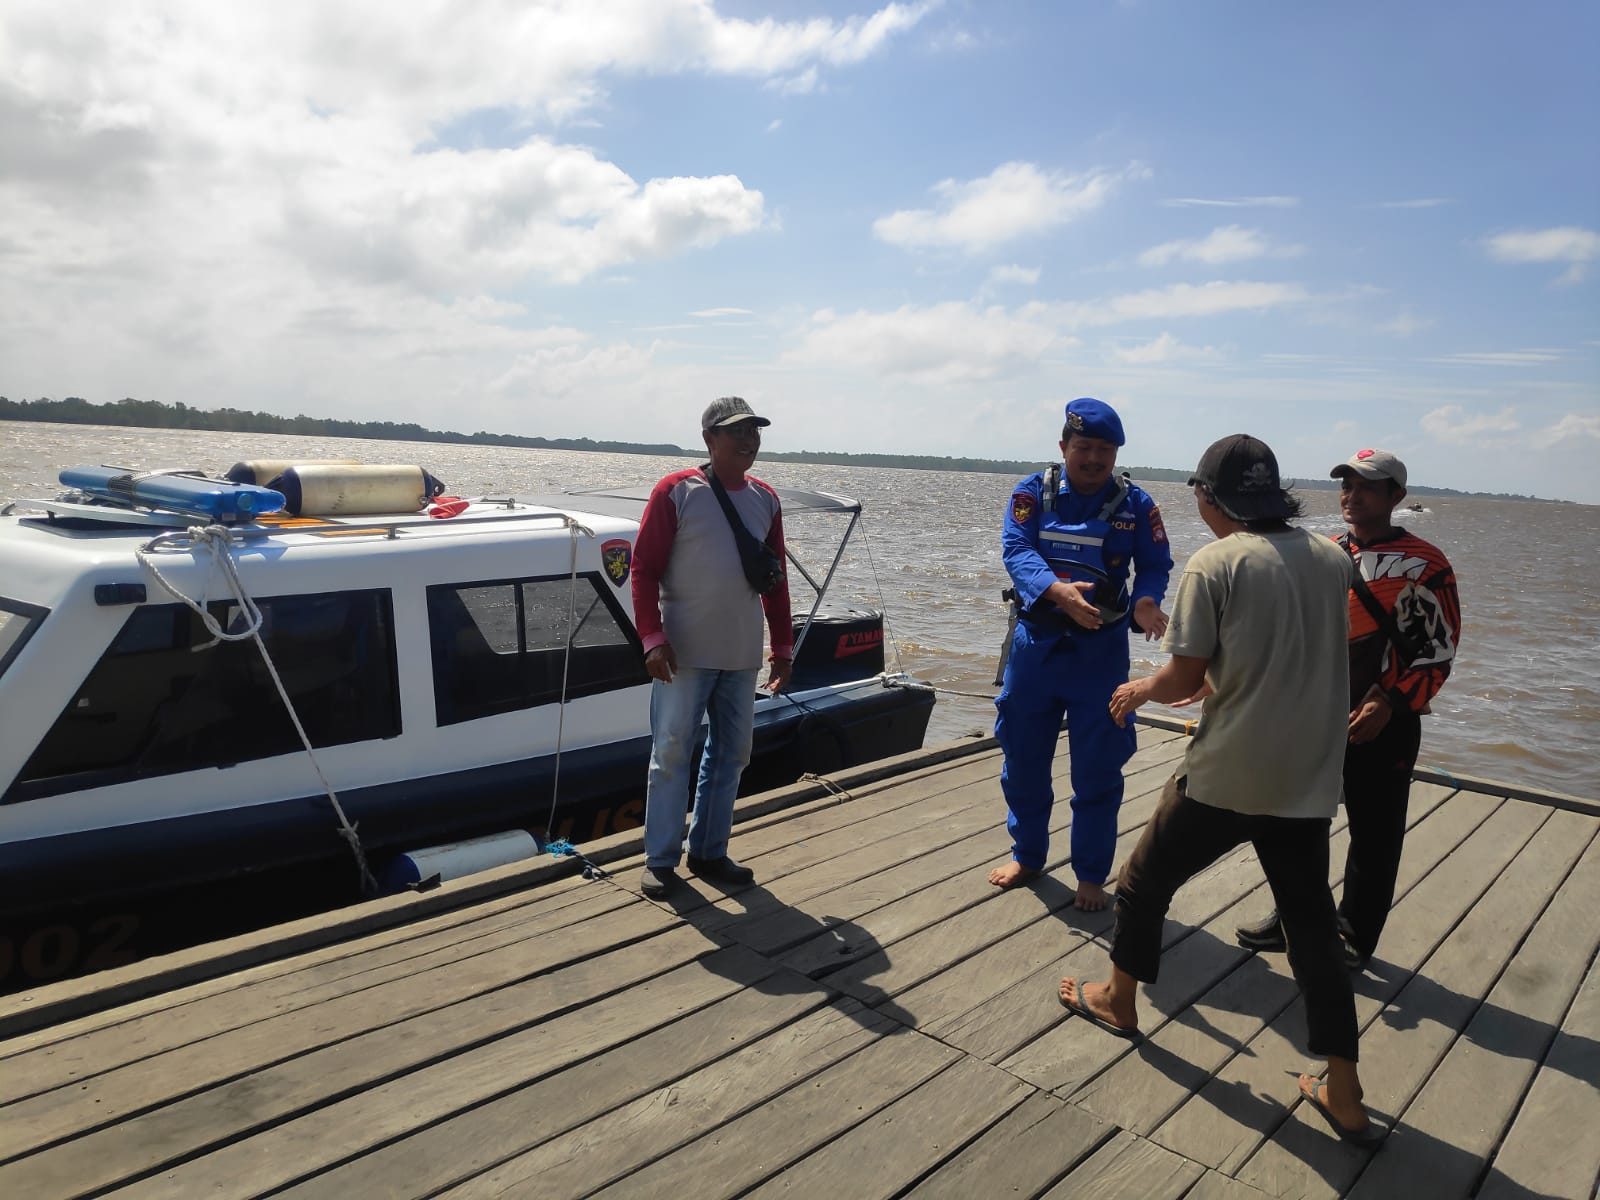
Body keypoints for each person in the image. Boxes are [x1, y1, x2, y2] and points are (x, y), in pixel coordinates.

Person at [1059, 433, 1380, 1146]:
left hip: (1229, 771)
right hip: (1307, 776)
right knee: (1313, 933)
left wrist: (1143, 687)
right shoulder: (1332, 556)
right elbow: (1283, 647)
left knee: (1142, 884)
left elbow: (1181, 677)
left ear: (1209, 497)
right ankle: (1347, 1090)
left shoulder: (1214, 562)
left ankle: (1118, 998)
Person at [1235, 448, 1460, 968]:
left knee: (1375, 836)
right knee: (1296, 822)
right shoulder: (1326, 551)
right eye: (1346, 486)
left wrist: (1391, 698)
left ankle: (1355, 937)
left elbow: (1438, 649)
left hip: (1385, 722)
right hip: (1317, 715)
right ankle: (1296, 918)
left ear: (1395, 497)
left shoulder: (1425, 564)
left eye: (1367, 487)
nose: (1352, 496)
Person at [989, 397, 1173, 910]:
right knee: (1023, 760)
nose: (1093, 459)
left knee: (1099, 767)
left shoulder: (1137, 505)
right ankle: (1027, 855)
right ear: (1064, 446)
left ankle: (1091, 873)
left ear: (1116, 454)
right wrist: (1055, 591)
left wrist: (1146, 603)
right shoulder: (1032, 493)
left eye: (1104, 450)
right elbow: (1016, 548)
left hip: (1101, 655)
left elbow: (1156, 564)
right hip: (1036, 649)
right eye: (1084, 448)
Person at [631, 396, 794, 898]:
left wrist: (782, 647)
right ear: (709, 439)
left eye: (754, 432)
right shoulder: (676, 491)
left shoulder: (766, 498)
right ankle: (660, 860)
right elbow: (642, 569)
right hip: (683, 654)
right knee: (671, 753)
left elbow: (776, 579)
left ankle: (709, 851)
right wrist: (652, 639)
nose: (749, 441)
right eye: (737, 432)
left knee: (733, 754)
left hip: (742, 655)